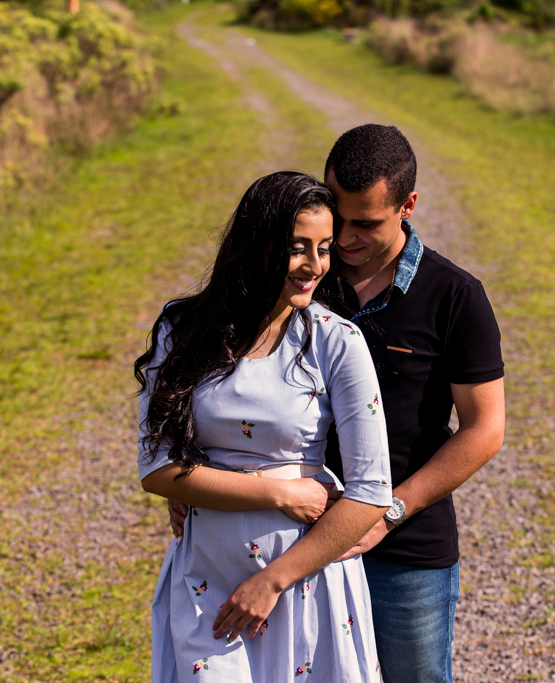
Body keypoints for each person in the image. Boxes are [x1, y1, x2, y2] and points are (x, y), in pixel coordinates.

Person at [135, 171, 392, 683]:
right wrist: (279, 493)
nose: (315, 265)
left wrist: (271, 583)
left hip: (306, 585)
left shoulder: (337, 341)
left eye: (323, 248)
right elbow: (157, 468)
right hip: (207, 579)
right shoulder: (181, 327)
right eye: (298, 248)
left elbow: (371, 493)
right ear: (257, 243)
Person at [318, 124, 506, 683]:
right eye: (336, 215)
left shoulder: (455, 295)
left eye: (366, 223)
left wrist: (389, 512)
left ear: (409, 205)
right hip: (290, 537)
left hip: (404, 553)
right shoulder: (301, 278)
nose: (344, 237)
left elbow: (484, 429)